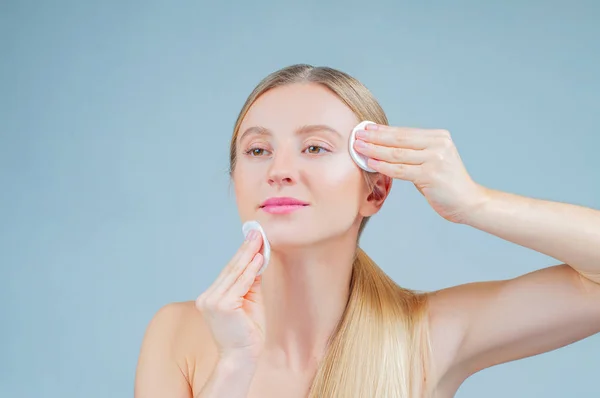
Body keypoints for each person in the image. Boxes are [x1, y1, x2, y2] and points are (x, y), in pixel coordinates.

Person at [134, 64, 600, 398]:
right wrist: (234, 366)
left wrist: (474, 203)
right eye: (257, 150)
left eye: (315, 147)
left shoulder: (428, 336)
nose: (280, 170)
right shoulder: (178, 334)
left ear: (374, 192)